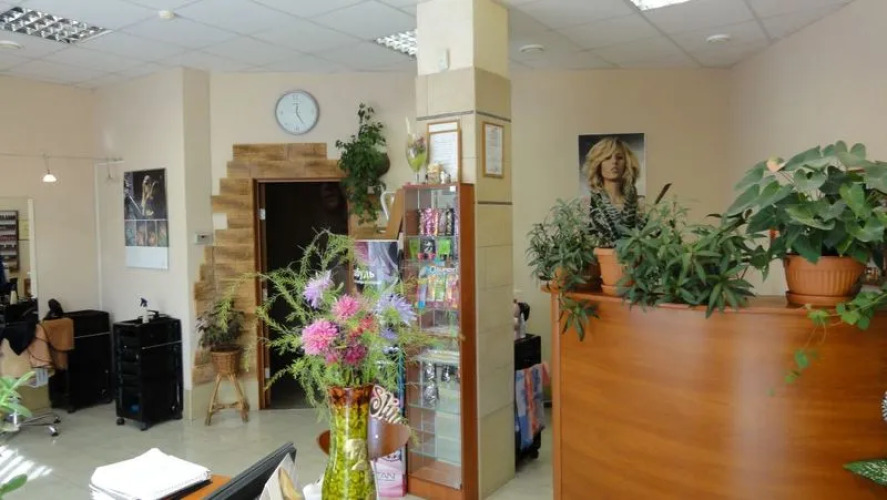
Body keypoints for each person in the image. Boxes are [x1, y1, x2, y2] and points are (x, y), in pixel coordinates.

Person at [583, 137, 643, 235]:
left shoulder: (640, 204)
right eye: (607, 158)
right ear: (598, 164)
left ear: (627, 164)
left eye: (619, 158)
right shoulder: (586, 204)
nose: (614, 162)